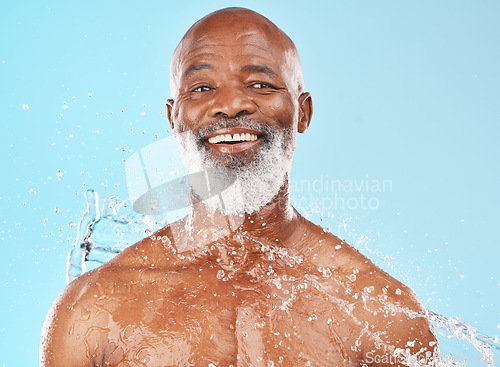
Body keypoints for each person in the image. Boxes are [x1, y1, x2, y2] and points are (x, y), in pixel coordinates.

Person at [40, 7, 438, 366]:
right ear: (173, 118)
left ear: (303, 112)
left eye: (261, 85)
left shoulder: (379, 312)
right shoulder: (95, 310)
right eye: (202, 88)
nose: (231, 105)